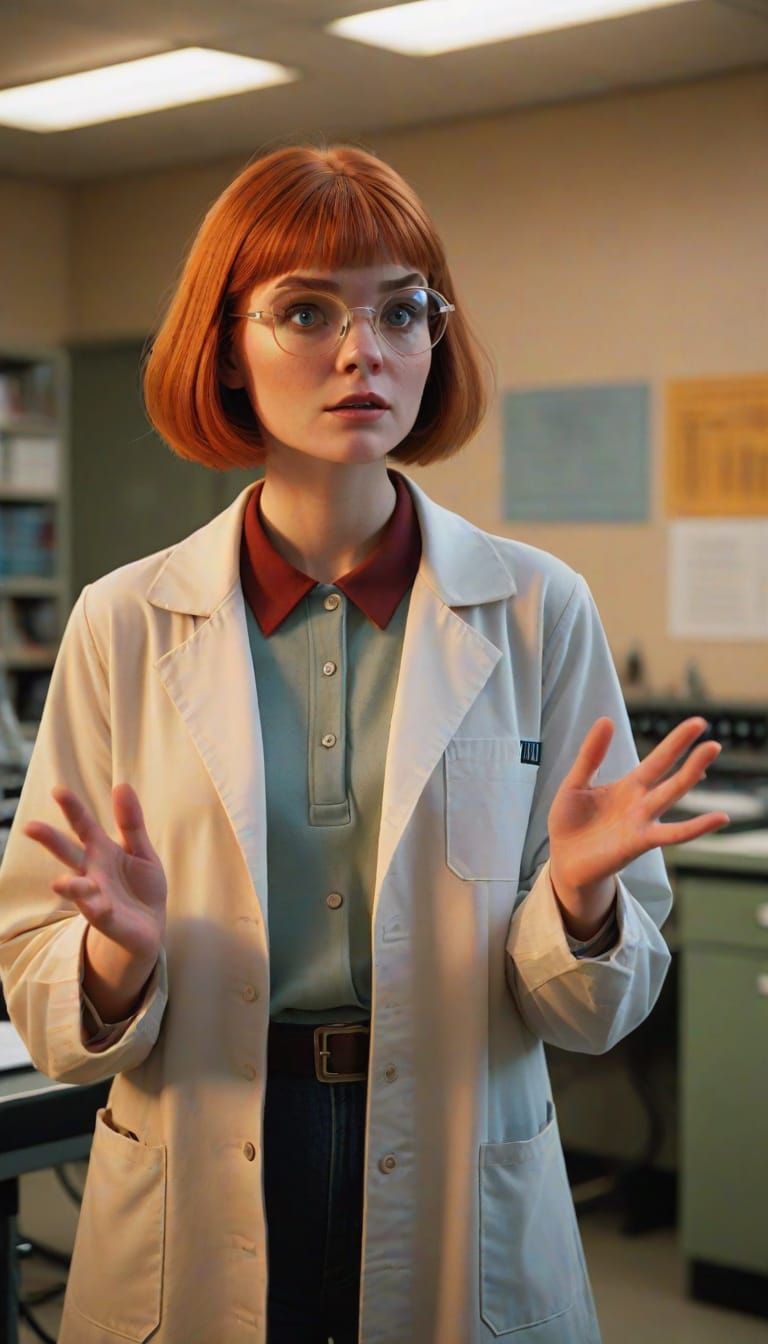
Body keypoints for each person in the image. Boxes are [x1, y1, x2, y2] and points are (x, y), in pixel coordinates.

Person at [0, 141, 728, 1344]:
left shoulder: (538, 609)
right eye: (305, 311)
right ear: (225, 345)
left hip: (451, 1144)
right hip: (213, 1130)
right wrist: (115, 959)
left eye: (403, 311)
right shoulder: (125, 622)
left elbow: (596, 1005)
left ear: (435, 340)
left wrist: (586, 909)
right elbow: (42, 987)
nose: (363, 352)